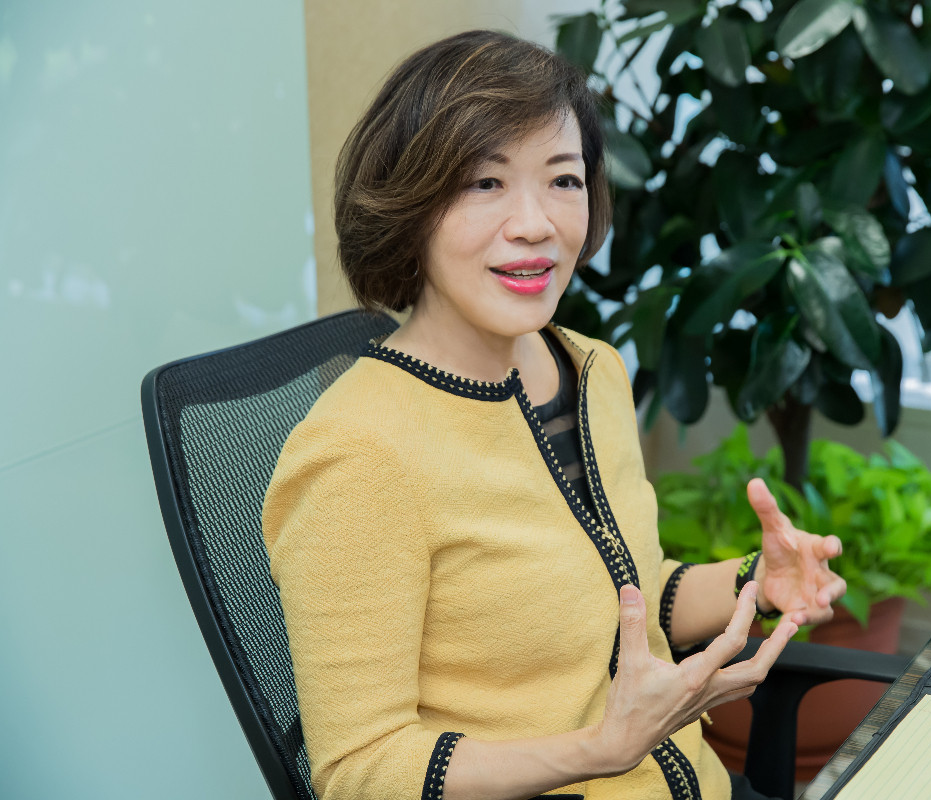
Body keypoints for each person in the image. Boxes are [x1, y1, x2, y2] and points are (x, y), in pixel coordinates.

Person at [261, 29, 846, 800]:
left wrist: (754, 581)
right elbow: (358, 771)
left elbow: (625, 593)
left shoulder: (592, 369)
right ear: (410, 204)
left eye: (564, 180)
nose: (536, 223)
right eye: (484, 183)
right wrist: (596, 750)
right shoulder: (360, 451)